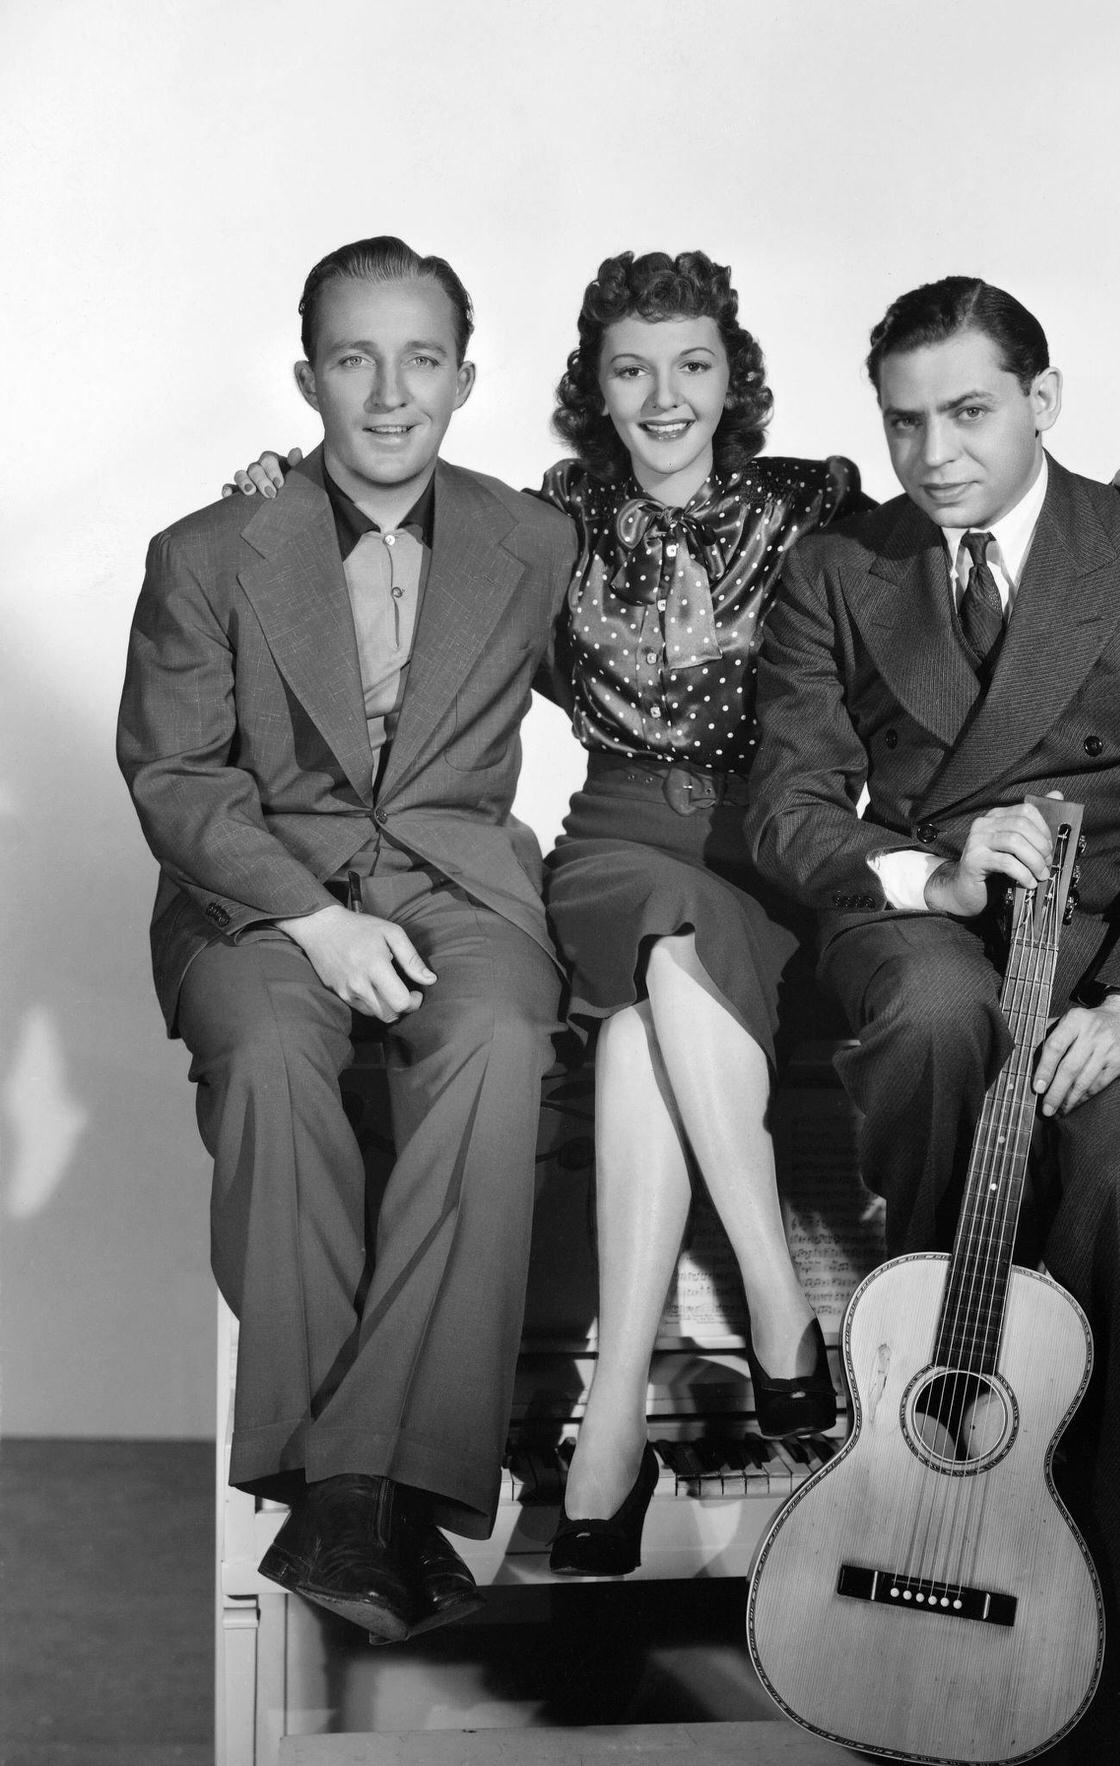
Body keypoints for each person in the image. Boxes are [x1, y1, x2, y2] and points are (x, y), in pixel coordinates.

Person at [225, 249, 1120, 1580]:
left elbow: (987, 508)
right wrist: (287, 486)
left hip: (774, 850)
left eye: (692, 363)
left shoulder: (822, 505)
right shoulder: (547, 515)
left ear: (733, 374)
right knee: (666, 933)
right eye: (632, 368)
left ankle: (611, 1431)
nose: (665, 394)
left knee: (639, 1041)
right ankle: (780, 1317)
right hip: (620, 843)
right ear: (595, 387)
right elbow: (391, 514)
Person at [746, 276, 1120, 1763]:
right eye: (903, 421)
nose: (933, 453)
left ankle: (1114, 1606)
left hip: (1111, 945)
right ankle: (934, 1437)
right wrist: (930, 866)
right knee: (927, 1015)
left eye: (969, 412)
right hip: (926, 915)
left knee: (1116, 1185)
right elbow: (786, 802)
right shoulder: (837, 566)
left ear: (1044, 401)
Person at [117, 236, 577, 1643]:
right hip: (261, 890)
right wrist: (313, 919)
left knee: (500, 1038)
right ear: (306, 371)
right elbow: (176, 775)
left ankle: (345, 1489)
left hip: (460, 886)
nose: (389, 393)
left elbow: (686, 640)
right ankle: (373, 1489)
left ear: (467, 377)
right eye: (356, 357)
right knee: (265, 1059)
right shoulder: (208, 548)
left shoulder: (538, 538)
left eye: (421, 357)